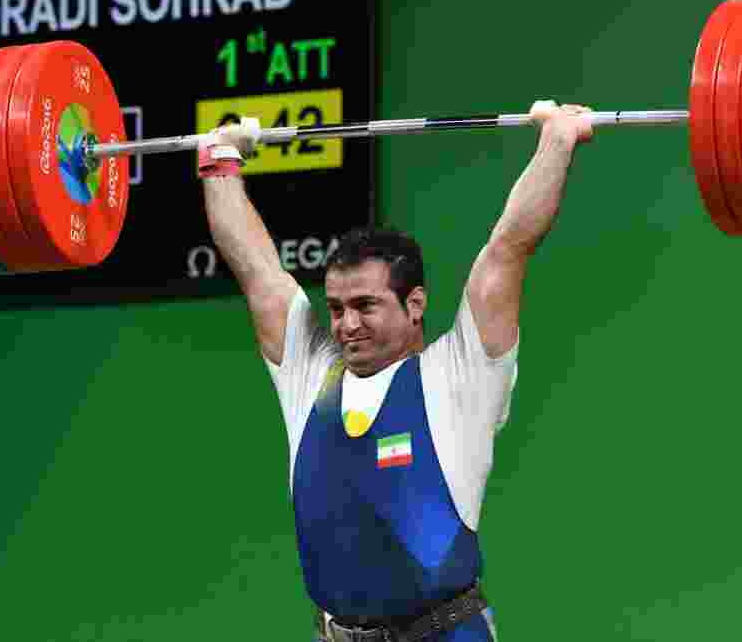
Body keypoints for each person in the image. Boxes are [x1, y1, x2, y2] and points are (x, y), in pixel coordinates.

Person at [198, 100, 593, 642]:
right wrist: (219, 160)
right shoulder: (310, 375)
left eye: (365, 305)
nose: (345, 325)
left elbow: (510, 247)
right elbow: (255, 266)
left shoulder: (458, 375)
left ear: (414, 304)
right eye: (335, 308)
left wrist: (557, 140)